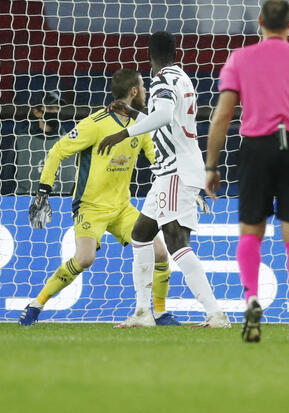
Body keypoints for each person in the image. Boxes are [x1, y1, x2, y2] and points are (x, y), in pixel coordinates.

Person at [205, 0, 289, 344]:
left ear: (260, 22)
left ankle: (251, 298)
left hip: (256, 147)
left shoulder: (240, 59)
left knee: (251, 232)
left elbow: (222, 116)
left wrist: (211, 166)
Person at [19, 69, 180, 326]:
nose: (147, 91)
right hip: (90, 207)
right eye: (143, 87)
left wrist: (179, 182)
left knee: (160, 253)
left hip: (122, 207)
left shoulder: (142, 125)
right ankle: (35, 305)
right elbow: (57, 151)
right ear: (134, 92)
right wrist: (43, 192)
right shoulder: (95, 124)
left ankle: (159, 313)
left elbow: (155, 159)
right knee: (84, 259)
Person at [98, 32, 230, 329]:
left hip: (174, 169)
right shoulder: (181, 76)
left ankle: (215, 313)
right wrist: (132, 111)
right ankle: (144, 312)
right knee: (141, 234)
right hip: (174, 170)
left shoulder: (160, 80)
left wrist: (124, 131)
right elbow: (164, 114)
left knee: (175, 241)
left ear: (149, 54)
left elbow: (165, 115)